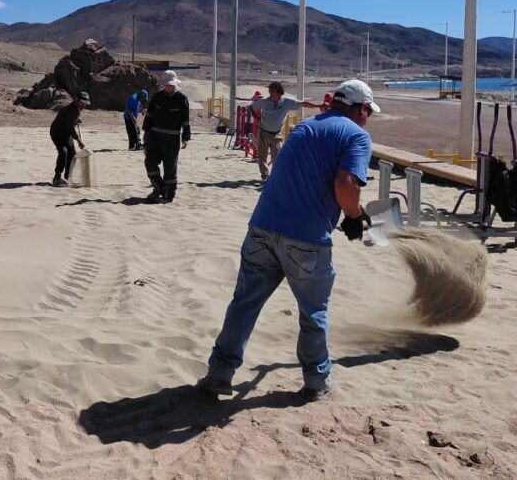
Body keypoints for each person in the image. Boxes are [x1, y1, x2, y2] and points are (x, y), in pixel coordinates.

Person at [197, 79, 379, 402]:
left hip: (263, 226)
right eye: (369, 112)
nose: (369, 118)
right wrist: (353, 217)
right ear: (360, 109)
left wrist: (350, 210)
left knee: (244, 304)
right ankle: (316, 381)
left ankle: (219, 375)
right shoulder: (357, 136)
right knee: (313, 312)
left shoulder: (304, 128)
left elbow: (299, 175)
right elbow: (346, 184)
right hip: (306, 240)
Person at [250, 81, 322, 182]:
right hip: (263, 132)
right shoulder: (264, 102)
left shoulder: (287, 102)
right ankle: (265, 176)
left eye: (272, 92)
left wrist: (319, 106)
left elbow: (303, 103)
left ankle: (276, 177)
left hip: (276, 135)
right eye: (269, 92)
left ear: (279, 92)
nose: (270, 94)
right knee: (262, 157)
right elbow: (252, 107)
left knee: (278, 157)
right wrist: (256, 118)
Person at [142, 73, 190, 203]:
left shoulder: (182, 99)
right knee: (150, 163)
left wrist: (185, 137)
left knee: (170, 168)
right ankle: (158, 188)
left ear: (175, 84)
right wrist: (146, 133)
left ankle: (169, 195)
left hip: (172, 139)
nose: (168, 87)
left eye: (171, 85)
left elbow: (185, 120)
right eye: (166, 85)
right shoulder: (157, 97)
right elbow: (149, 116)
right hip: (154, 137)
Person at [50, 91, 90, 187]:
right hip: (57, 134)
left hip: (67, 134)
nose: (83, 106)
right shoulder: (69, 110)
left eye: (85, 104)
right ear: (77, 100)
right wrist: (79, 140)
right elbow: (70, 127)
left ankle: (67, 178)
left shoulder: (76, 109)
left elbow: (72, 121)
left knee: (72, 154)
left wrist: (77, 120)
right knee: (63, 152)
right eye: (82, 103)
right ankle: (57, 177)